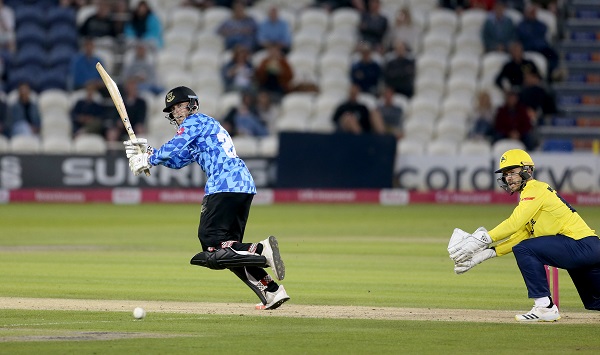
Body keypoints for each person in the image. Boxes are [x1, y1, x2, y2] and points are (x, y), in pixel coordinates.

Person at [123, 86, 289, 310]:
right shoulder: (202, 127)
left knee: (210, 242)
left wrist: (148, 160)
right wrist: (149, 151)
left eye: (179, 106)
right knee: (228, 251)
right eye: (173, 109)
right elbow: (177, 160)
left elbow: (175, 146)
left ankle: (260, 249)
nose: (176, 112)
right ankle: (272, 292)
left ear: (192, 105)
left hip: (225, 184)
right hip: (240, 184)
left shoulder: (196, 121)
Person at [448, 149, 600, 321]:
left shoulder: (535, 189)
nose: (509, 178)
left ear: (527, 171)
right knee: (594, 301)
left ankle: (545, 307)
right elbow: (521, 234)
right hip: (588, 249)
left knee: (525, 249)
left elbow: (514, 223)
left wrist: (482, 239)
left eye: (512, 172)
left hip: (580, 245)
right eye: (506, 174)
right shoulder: (530, 195)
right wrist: (489, 253)